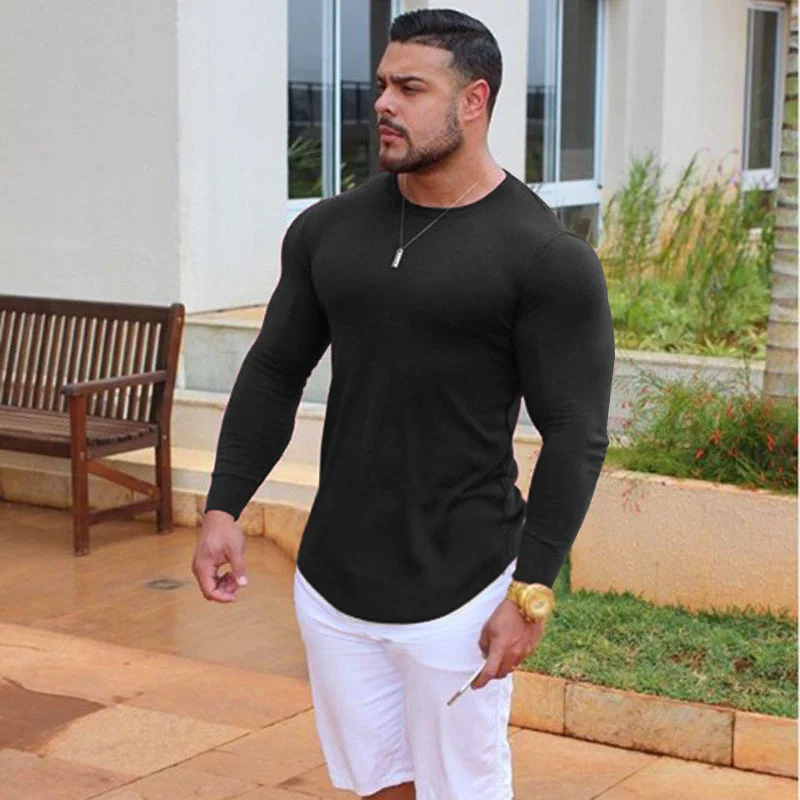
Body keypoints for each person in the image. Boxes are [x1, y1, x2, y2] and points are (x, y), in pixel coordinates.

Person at [192, 8, 615, 799]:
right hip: (332, 581)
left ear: (473, 100)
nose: (383, 102)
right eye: (382, 84)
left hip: (462, 590)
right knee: (377, 785)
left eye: (411, 88)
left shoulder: (544, 257)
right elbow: (275, 370)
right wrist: (223, 506)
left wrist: (529, 592)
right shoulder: (329, 230)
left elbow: (575, 434)